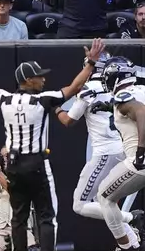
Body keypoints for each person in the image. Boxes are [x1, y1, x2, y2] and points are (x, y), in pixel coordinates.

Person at [0, 31, 105, 251]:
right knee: (47, 216)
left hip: (13, 165)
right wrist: (91, 64)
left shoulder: (5, 99)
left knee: (19, 217)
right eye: (39, 77)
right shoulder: (43, 99)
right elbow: (73, 88)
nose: (43, 80)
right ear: (28, 80)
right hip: (36, 163)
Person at [53, 53, 143, 229]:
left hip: (107, 152)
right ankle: (130, 241)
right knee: (107, 200)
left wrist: (56, 108)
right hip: (124, 147)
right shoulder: (129, 90)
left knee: (83, 203)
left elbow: (69, 121)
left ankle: (132, 219)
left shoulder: (89, 89)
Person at [96, 58, 145, 251]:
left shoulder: (125, 97)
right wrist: (109, 106)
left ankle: (126, 247)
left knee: (104, 197)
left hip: (140, 161)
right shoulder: (140, 90)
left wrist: (141, 149)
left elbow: (141, 112)